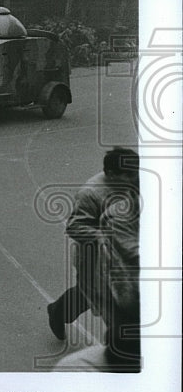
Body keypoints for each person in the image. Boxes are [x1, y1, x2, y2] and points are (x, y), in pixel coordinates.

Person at [48, 147, 140, 370]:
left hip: (123, 258)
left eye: (134, 173)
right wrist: (101, 235)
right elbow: (75, 226)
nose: (132, 179)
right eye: (126, 175)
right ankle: (59, 311)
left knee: (113, 296)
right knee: (102, 298)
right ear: (109, 173)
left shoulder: (136, 181)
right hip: (95, 258)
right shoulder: (91, 192)